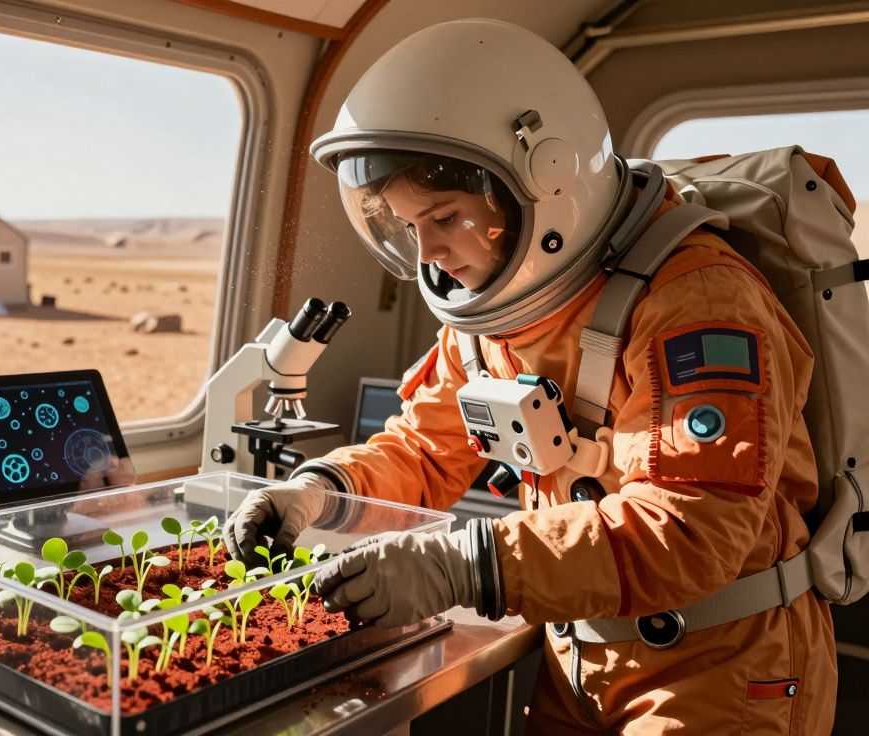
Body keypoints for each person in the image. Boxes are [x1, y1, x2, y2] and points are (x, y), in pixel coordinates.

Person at [223, 18, 836, 735]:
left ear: (546, 180)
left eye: (446, 217)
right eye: (405, 225)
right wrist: (321, 491)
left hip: (718, 668)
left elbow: (691, 528)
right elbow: (424, 450)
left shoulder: (696, 302)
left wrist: (461, 566)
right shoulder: (486, 321)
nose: (431, 253)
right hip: (579, 656)